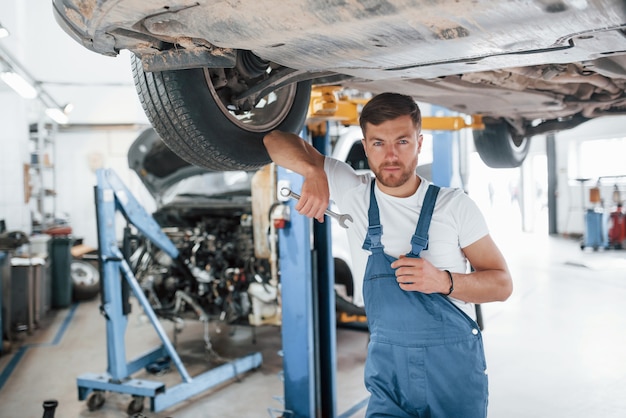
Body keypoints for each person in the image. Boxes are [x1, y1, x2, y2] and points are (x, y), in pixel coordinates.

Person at [263, 92, 513, 417]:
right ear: (366, 146)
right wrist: (313, 171)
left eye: (402, 142)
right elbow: (274, 139)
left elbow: (502, 284)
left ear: (419, 143)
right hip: (388, 375)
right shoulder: (353, 192)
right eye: (379, 143)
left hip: (451, 372)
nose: (391, 155)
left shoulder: (454, 206)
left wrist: (443, 281)